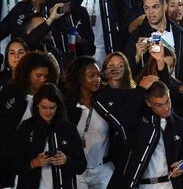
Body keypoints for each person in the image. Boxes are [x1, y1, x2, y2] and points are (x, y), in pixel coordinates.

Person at [108, 79, 183, 188]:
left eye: (167, 101)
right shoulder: (139, 120)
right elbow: (124, 120)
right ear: (148, 103)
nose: (166, 108)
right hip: (142, 185)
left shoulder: (179, 123)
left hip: (170, 184)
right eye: (159, 105)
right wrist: (140, 90)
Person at [63, 56, 126, 188]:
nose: (97, 79)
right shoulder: (68, 106)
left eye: (98, 75)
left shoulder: (104, 102)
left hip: (103, 169)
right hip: (78, 171)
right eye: (91, 75)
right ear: (79, 78)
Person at [0, 51, 59, 187]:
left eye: (46, 76)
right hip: (7, 160)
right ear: (27, 73)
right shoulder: (10, 93)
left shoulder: (51, 98)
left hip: (36, 163)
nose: (43, 80)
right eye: (38, 75)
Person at [13, 83, 86, 189]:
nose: (47, 112)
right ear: (37, 104)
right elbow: (12, 164)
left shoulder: (69, 129)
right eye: (44, 107)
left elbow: (81, 165)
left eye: (52, 108)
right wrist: (33, 163)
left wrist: (66, 160)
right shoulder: (26, 127)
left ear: (58, 107)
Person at [126, 0, 183, 84]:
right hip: (151, 94)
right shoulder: (136, 36)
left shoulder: (182, 34)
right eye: (147, 8)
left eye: (155, 7)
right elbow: (128, 76)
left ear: (164, 7)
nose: (151, 12)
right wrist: (137, 57)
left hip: (177, 92)